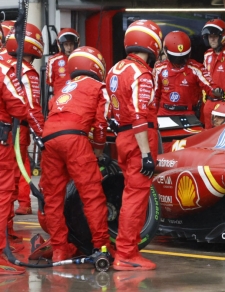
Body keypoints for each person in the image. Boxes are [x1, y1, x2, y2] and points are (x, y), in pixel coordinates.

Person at [40, 46, 110, 262]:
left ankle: (60, 249)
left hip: (49, 138)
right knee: (91, 194)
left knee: (52, 199)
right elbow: (101, 123)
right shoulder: (99, 86)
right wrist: (98, 150)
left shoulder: (64, 89)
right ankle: (102, 248)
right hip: (74, 139)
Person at [106, 19, 162, 270]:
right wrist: (147, 153)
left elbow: (109, 111)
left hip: (122, 138)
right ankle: (127, 254)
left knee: (130, 194)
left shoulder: (114, 70)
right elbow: (140, 114)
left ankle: (122, 249)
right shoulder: (142, 73)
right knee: (136, 197)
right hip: (140, 139)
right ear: (152, 44)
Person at [0, 35, 44, 275]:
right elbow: (22, 106)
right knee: (4, 193)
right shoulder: (14, 71)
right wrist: (44, 134)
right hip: (5, 137)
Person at [4, 23, 46, 216]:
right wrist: (43, 135)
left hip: (7, 129)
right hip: (15, 131)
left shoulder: (4, 65)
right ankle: (21, 206)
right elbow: (32, 108)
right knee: (14, 176)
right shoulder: (27, 72)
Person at [153, 30, 215, 117]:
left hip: (189, 113)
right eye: (175, 58)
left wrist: (216, 91)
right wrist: (152, 117)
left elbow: (210, 86)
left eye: (182, 58)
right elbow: (154, 95)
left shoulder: (196, 68)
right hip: (164, 113)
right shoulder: (159, 68)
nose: (178, 61)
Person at [46, 28, 80, 98]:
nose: (69, 48)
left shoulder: (82, 58)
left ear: (76, 44)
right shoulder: (53, 60)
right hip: (59, 98)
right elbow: (50, 81)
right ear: (61, 45)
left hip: (77, 98)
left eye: (71, 44)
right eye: (66, 44)